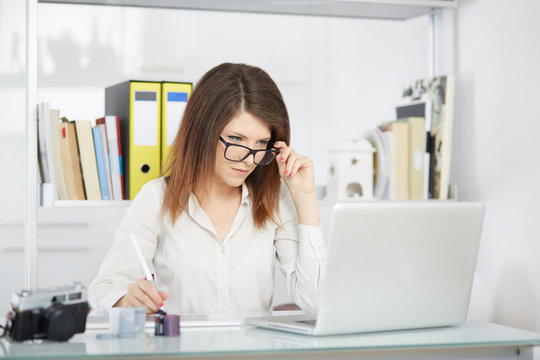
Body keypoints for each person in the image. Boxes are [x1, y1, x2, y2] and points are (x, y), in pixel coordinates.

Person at [88, 63, 327, 315]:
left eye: (261, 143)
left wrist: (305, 198)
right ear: (203, 131)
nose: (249, 159)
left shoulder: (274, 199)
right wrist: (126, 300)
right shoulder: (156, 197)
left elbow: (316, 301)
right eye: (236, 140)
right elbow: (104, 289)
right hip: (181, 351)